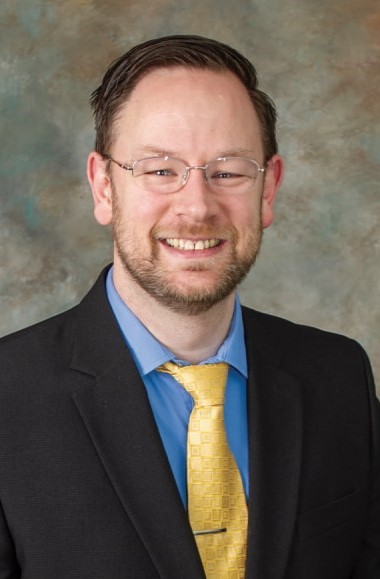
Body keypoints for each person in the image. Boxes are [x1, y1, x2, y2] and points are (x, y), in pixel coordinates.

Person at [0, 35, 378, 579]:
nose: (197, 206)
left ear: (268, 189)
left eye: (227, 171)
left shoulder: (338, 377)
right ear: (104, 187)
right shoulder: (6, 397)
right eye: (159, 170)